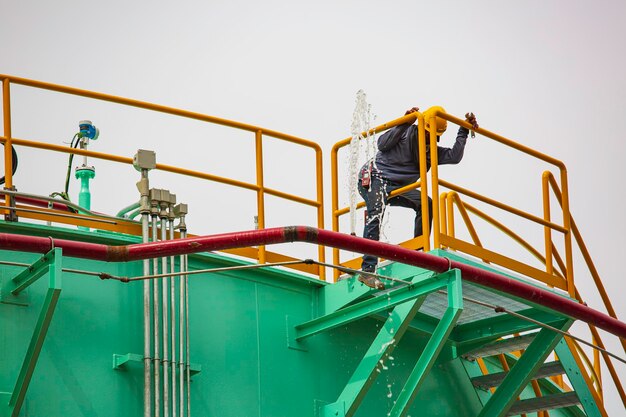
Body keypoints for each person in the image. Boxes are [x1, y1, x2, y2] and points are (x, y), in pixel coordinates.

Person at [357, 106, 478, 290]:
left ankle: (418, 254)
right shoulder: (405, 134)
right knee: (376, 211)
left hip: (396, 187)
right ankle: (367, 270)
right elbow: (382, 143)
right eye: (427, 133)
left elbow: (454, 156)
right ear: (421, 128)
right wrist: (403, 124)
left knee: (425, 203)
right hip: (374, 177)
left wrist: (463, 130)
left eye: (433, 136)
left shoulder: (430, 152)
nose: (429, 139)